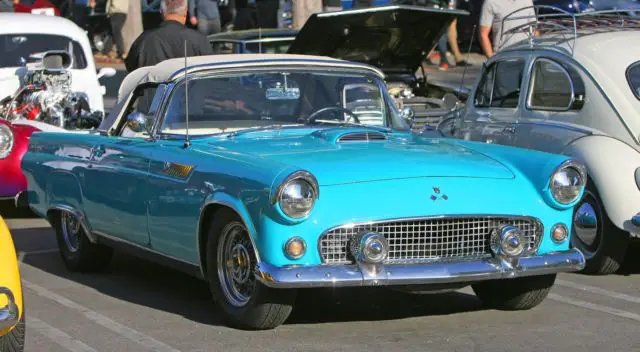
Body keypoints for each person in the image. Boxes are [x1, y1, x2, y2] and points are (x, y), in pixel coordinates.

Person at [125, 0, 214, 73]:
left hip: (154, 94)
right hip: (190, 93)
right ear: (186, 12)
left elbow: (131, 69)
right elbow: (209, 73)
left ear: (161, 11)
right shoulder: (200, 40)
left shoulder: (144, 40)